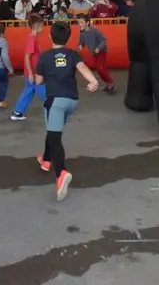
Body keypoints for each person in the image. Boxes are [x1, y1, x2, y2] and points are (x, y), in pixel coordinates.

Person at [34, 23, 99, 201]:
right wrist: (93, 81)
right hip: (72, 101)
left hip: (55, 101)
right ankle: (46, 160)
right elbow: (82, 68)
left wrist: (45, 73)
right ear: (68, 38)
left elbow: (38, 81)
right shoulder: (73, 54)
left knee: (54, 137)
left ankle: (61, 172)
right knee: (52, 130)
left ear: (49, 36)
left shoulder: (45, 57)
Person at [11, 15, 46, 121]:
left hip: (33, 73)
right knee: (47, 93)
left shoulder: (32, 38)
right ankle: (55, 113)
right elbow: (27, 57)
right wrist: (31, 73)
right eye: (43, 25)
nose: (44, 27)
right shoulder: (32, 39)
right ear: (37, 26)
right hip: (35, 73)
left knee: (28, 92)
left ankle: (18, 112)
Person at [77, 15, 116, 94]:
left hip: (101, 52)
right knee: (99, 69)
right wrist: (80, 46)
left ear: (87, 23)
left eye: (82, 22)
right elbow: (81, 42)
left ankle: (110, 83)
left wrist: (98, 48)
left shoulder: (95, 31)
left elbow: (103, 40)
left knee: (100, 68)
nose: (80, 24)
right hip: (94, 53)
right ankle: (108, 83)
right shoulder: (82, 33)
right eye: (79, 22)